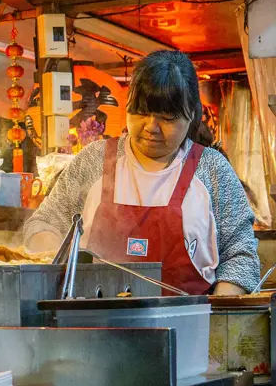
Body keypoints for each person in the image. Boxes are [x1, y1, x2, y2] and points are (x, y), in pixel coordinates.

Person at [25, 51, 260, 295]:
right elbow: (44, 223)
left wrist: (218, 316)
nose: (151, 127)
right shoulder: (94, 160)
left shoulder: (212, 169)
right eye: (140, 112)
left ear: (191, 114)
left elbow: (240, 256)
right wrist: (53, 260)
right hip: (92, 322)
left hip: (188, 325)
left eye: (166, 118)